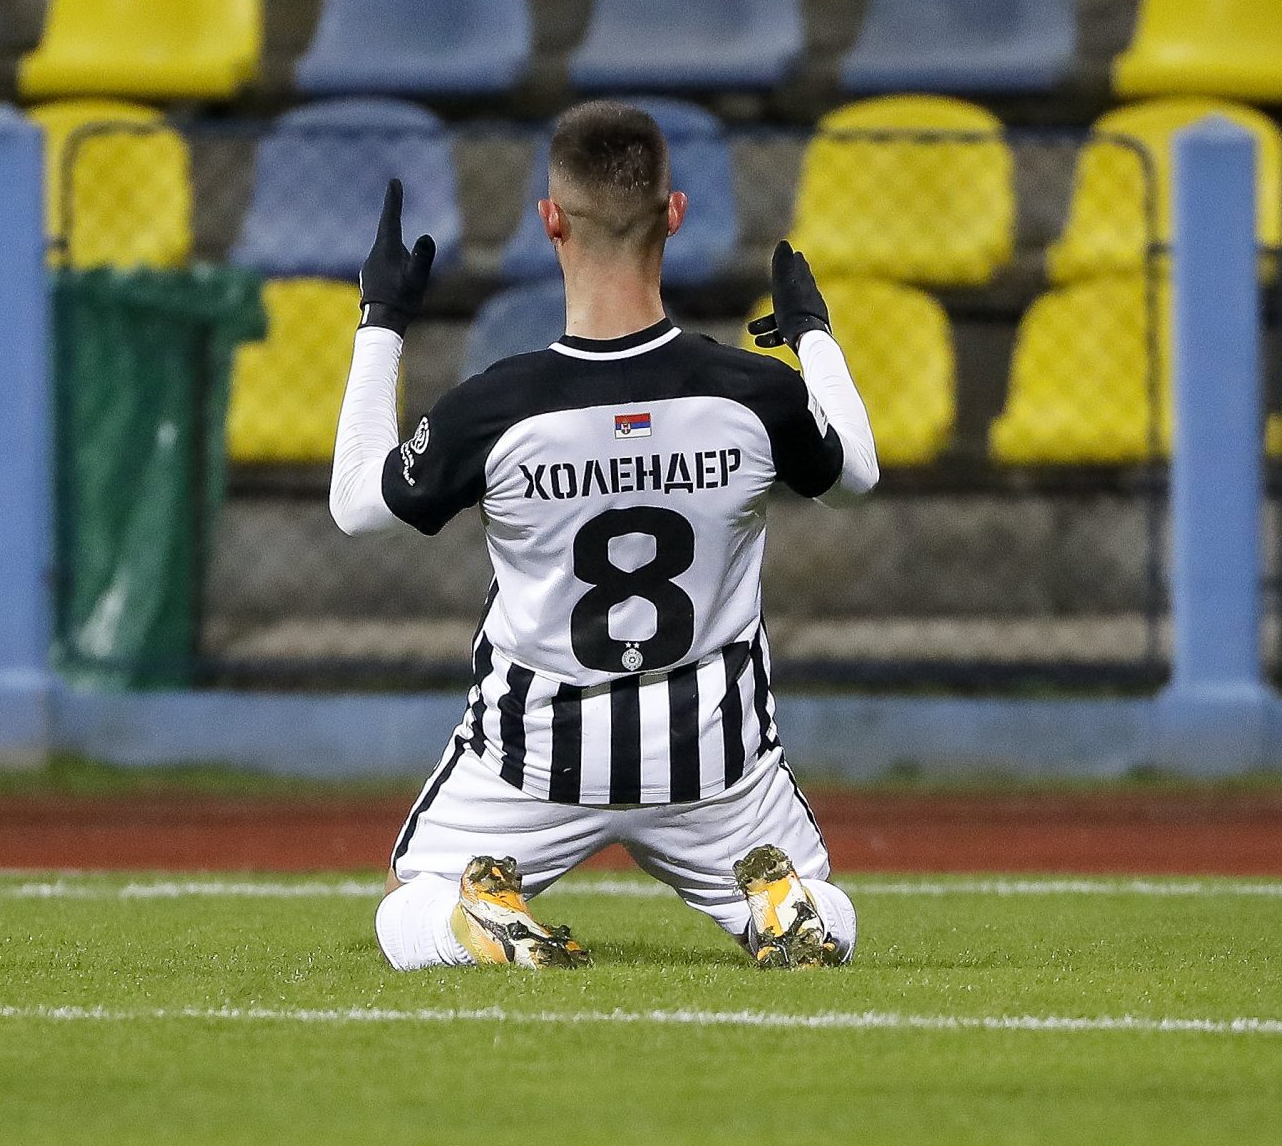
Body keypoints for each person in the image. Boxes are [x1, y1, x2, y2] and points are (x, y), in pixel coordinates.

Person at [329, 101, 877, 971]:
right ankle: (780, 905)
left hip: (534, 757)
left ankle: (476, 920)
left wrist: (381, 323)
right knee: (830, 912)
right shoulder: (751, 395)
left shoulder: (494, 409)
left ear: (551, 221)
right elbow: (855, 477)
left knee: (411, 905)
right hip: (715, 765)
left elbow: (357, 503)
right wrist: (813, 340)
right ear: (676, 214)